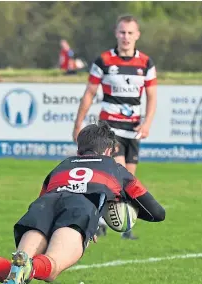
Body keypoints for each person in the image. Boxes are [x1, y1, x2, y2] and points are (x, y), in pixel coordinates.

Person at [0, 122, 165, 284]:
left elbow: (47, 195)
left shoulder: (62, 166)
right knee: (49, 268)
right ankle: (21, 265)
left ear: (79, 149)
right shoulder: (116, 169)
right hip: (79, 210)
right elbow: (156, 212)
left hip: (44, 205)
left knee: (19, 270)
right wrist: (115, 206)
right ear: (109, 151)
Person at [72, 15, 157, 240]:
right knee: (119, 175)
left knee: (127, 180)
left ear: (137, 35)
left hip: (133, 130)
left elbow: (152, 97)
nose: (126, 37)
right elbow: (89, 93)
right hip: (110, 130)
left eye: (130, 33)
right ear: (116, 33)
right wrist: (78, 123)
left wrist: (147, 123)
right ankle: (104, 222)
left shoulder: (146, 63)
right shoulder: (104, 61)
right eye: (122, 32)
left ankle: (116, 224)